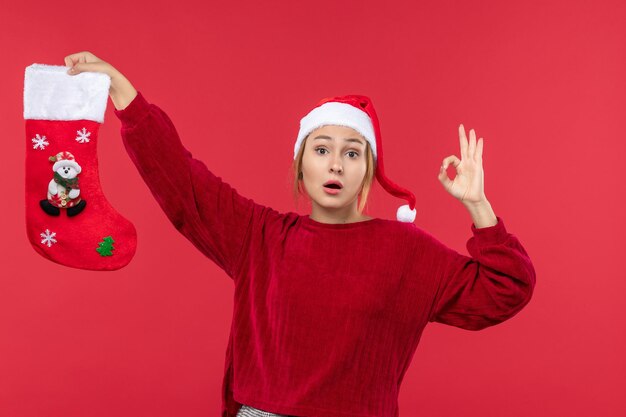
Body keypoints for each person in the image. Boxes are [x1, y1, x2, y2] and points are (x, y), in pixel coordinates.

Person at [64, 51, 536, 417]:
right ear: (301, 164)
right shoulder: (259, 235)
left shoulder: (405, 251)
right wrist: (123, 92)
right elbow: (182, 181)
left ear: (368, 170)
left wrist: (478, 205)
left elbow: (504, 289)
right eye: (322, 148)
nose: (335, 163)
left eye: (352, 153)